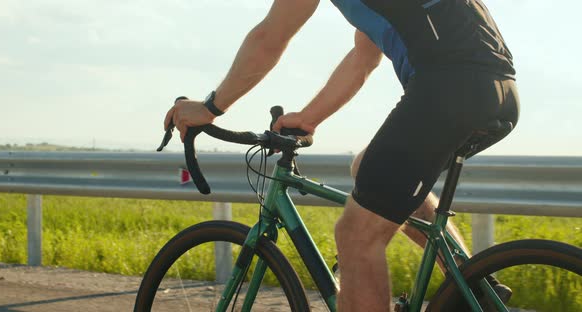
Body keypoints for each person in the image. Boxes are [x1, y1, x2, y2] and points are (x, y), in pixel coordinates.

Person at [164, 0, 520, 310]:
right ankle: (475, 292)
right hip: (498, 90)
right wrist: (308, 118)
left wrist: (211, 107)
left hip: (447, 86)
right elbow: (364, 58)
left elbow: (269, 38)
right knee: (367, 167)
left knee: (356, 235)